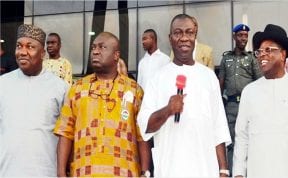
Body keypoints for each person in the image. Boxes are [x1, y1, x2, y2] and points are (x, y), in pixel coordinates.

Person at [137, 14, 231, 177]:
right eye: (178, 33)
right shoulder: (157, 79)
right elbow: (145, 126)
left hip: (204, 169)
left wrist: (223, 170)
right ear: (170, 38)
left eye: (189, 32)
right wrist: (167, 110)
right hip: (170, 168)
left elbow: (219, 127)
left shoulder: (209, 77)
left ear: (195, 36)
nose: (184, 38)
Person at [53, 32, 151, 177]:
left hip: (125, 173)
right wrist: (61, 173)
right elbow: (65, 133)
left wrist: (145, 172)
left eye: (102, 47)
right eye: (93, 47)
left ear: (116, 55)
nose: (95, 51)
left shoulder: (134, 90)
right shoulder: (77, 89)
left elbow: (142, 135)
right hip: (83, 172)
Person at [0, 24, 68, 176]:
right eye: (19, 46)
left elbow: (67, 136)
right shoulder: (2, 84)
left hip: (46, 172)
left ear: (43, 53)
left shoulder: (60, 88)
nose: (22, 52)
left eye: (30, 47)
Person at [233, 24, 288, 178]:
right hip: (259, 170)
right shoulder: (249, 91)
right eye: (259, 51)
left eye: (268, 50)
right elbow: (242, 136)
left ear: (283, 55)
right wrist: (238, 173)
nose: (262, 54)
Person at [218, 23, 262, 174]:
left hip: (247, 105)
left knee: (248, 141)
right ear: (234, 37)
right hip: (230, 106)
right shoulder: (226, 59)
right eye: (240, 35)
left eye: (245, 36)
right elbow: (221, 84)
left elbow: (259, 83)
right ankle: (231, 172)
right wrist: (219, 105)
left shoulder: (251, 59)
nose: (243, 38)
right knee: (230, 141)